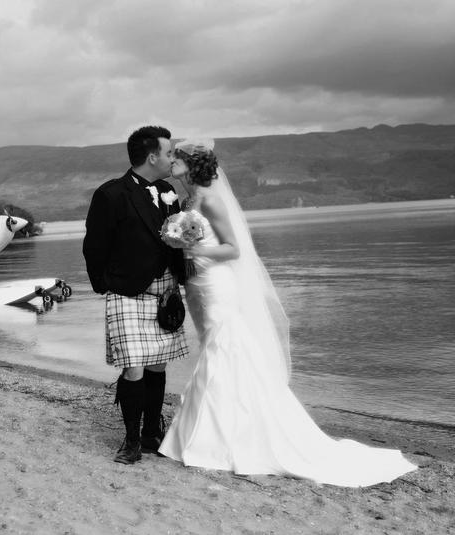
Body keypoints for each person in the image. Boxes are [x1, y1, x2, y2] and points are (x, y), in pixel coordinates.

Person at [157, 139, 417, 486]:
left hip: (217, 285)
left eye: (177, 156)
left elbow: (234, 249)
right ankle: (216, 432)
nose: (172, 160)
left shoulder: (212, 200)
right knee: (213, 348)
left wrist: (194, 251)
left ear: (191, 164)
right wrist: (180, 249)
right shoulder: (187, 201)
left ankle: (221, 438)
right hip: (196, 285)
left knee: (225, 348)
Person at [83, 125, 190, 465]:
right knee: (134, 369)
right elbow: (94, 246)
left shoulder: (168, 191)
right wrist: (106, 284)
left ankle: (151, 433)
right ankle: (130, 441)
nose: (172, 158)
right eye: (169, 152)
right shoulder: (111, 194)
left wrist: (180, 278)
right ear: (152, 157)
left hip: (164, 292)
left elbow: (175, 240)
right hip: (127, 292)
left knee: (157, 365)